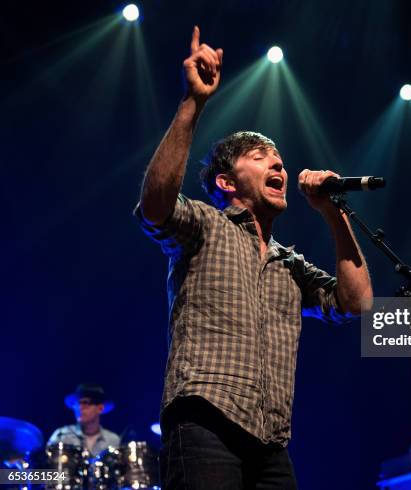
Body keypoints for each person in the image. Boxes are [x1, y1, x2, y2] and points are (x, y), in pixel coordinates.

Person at [134, 25, 373, 489]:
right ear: (227, 182)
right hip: (204, 419)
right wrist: (193, 103)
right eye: (263, 157)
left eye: (280, 160)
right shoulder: (206, 225)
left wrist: (332, 212)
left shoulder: (290, 264)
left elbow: (357, 304)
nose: (279, 165)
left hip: (271, 441)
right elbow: (156, 208)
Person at [47, 383, 120, 457]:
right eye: (76, 403)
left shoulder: (113, 440)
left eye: (85, 403)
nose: (79, 407)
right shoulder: (61, 435)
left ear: (100, 408)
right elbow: (47, 465)